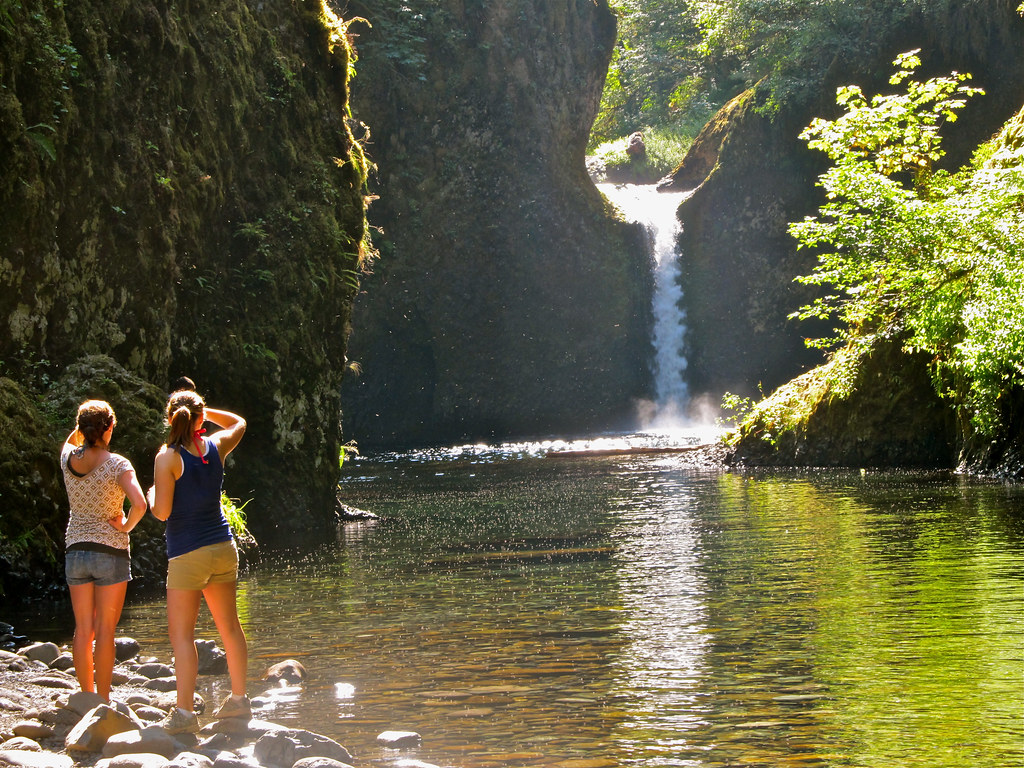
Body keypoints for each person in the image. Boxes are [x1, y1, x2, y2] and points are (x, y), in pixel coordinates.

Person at [149, 389, 250, 734]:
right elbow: (239, 422)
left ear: (170, 417)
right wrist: (204, 413)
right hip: (223, 546)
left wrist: (151, 495)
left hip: (187, 554)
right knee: (230, 628)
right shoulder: (216, 446)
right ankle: (239, 701)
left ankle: (185, 713)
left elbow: (162, 512)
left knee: (182, 636)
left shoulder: (167, 458)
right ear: (200, 418)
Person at [60, 400, 147, 702]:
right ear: (108, 427)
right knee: (106, 631)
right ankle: (104, 700)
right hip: (110, 552)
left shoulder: (67, 459)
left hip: (76, 551)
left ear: (81, 427)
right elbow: (140, 504)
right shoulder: (118, 464)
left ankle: (86, 697)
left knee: (83, 629)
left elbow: (71, 441)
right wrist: (125, 527)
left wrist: (82, 430)